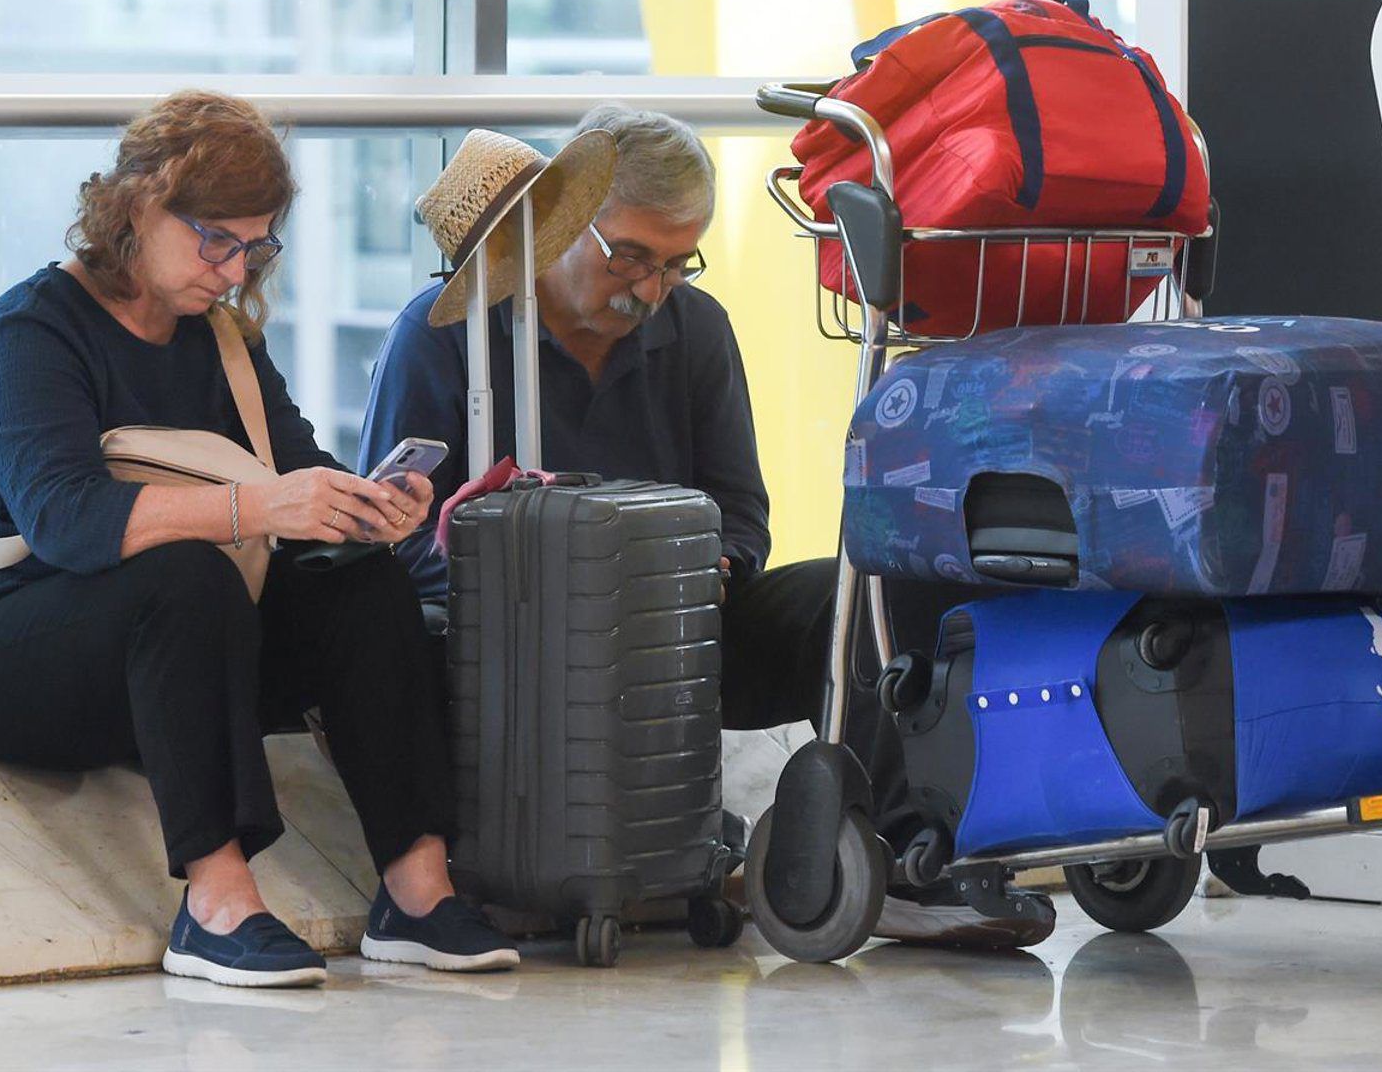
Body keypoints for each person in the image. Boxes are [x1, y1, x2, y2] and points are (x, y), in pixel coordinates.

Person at [359, 105, 1051, 949]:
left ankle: (906, 858)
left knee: (868, 593)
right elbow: (391, 542)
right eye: (631, 257)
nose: (650, 289)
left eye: (676, 264)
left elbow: (742, 512)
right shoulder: (438, 335)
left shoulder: (698, 329)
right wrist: (544, 586)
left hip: (683, 634)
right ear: (566, 219)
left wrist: (708, 568)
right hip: (515, 656)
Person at [0, 90, 518, 987]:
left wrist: (371, 507)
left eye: (255, 247)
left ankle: (418, 891)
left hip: (175, 645)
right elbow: (68, 521)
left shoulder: (221, 338)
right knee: (186, 576)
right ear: (136, 206)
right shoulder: (28, 337)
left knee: (360, 579)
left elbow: (296, 468)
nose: (233, 270)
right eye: (214, 241)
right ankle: (217, 903)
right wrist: (259, 510)